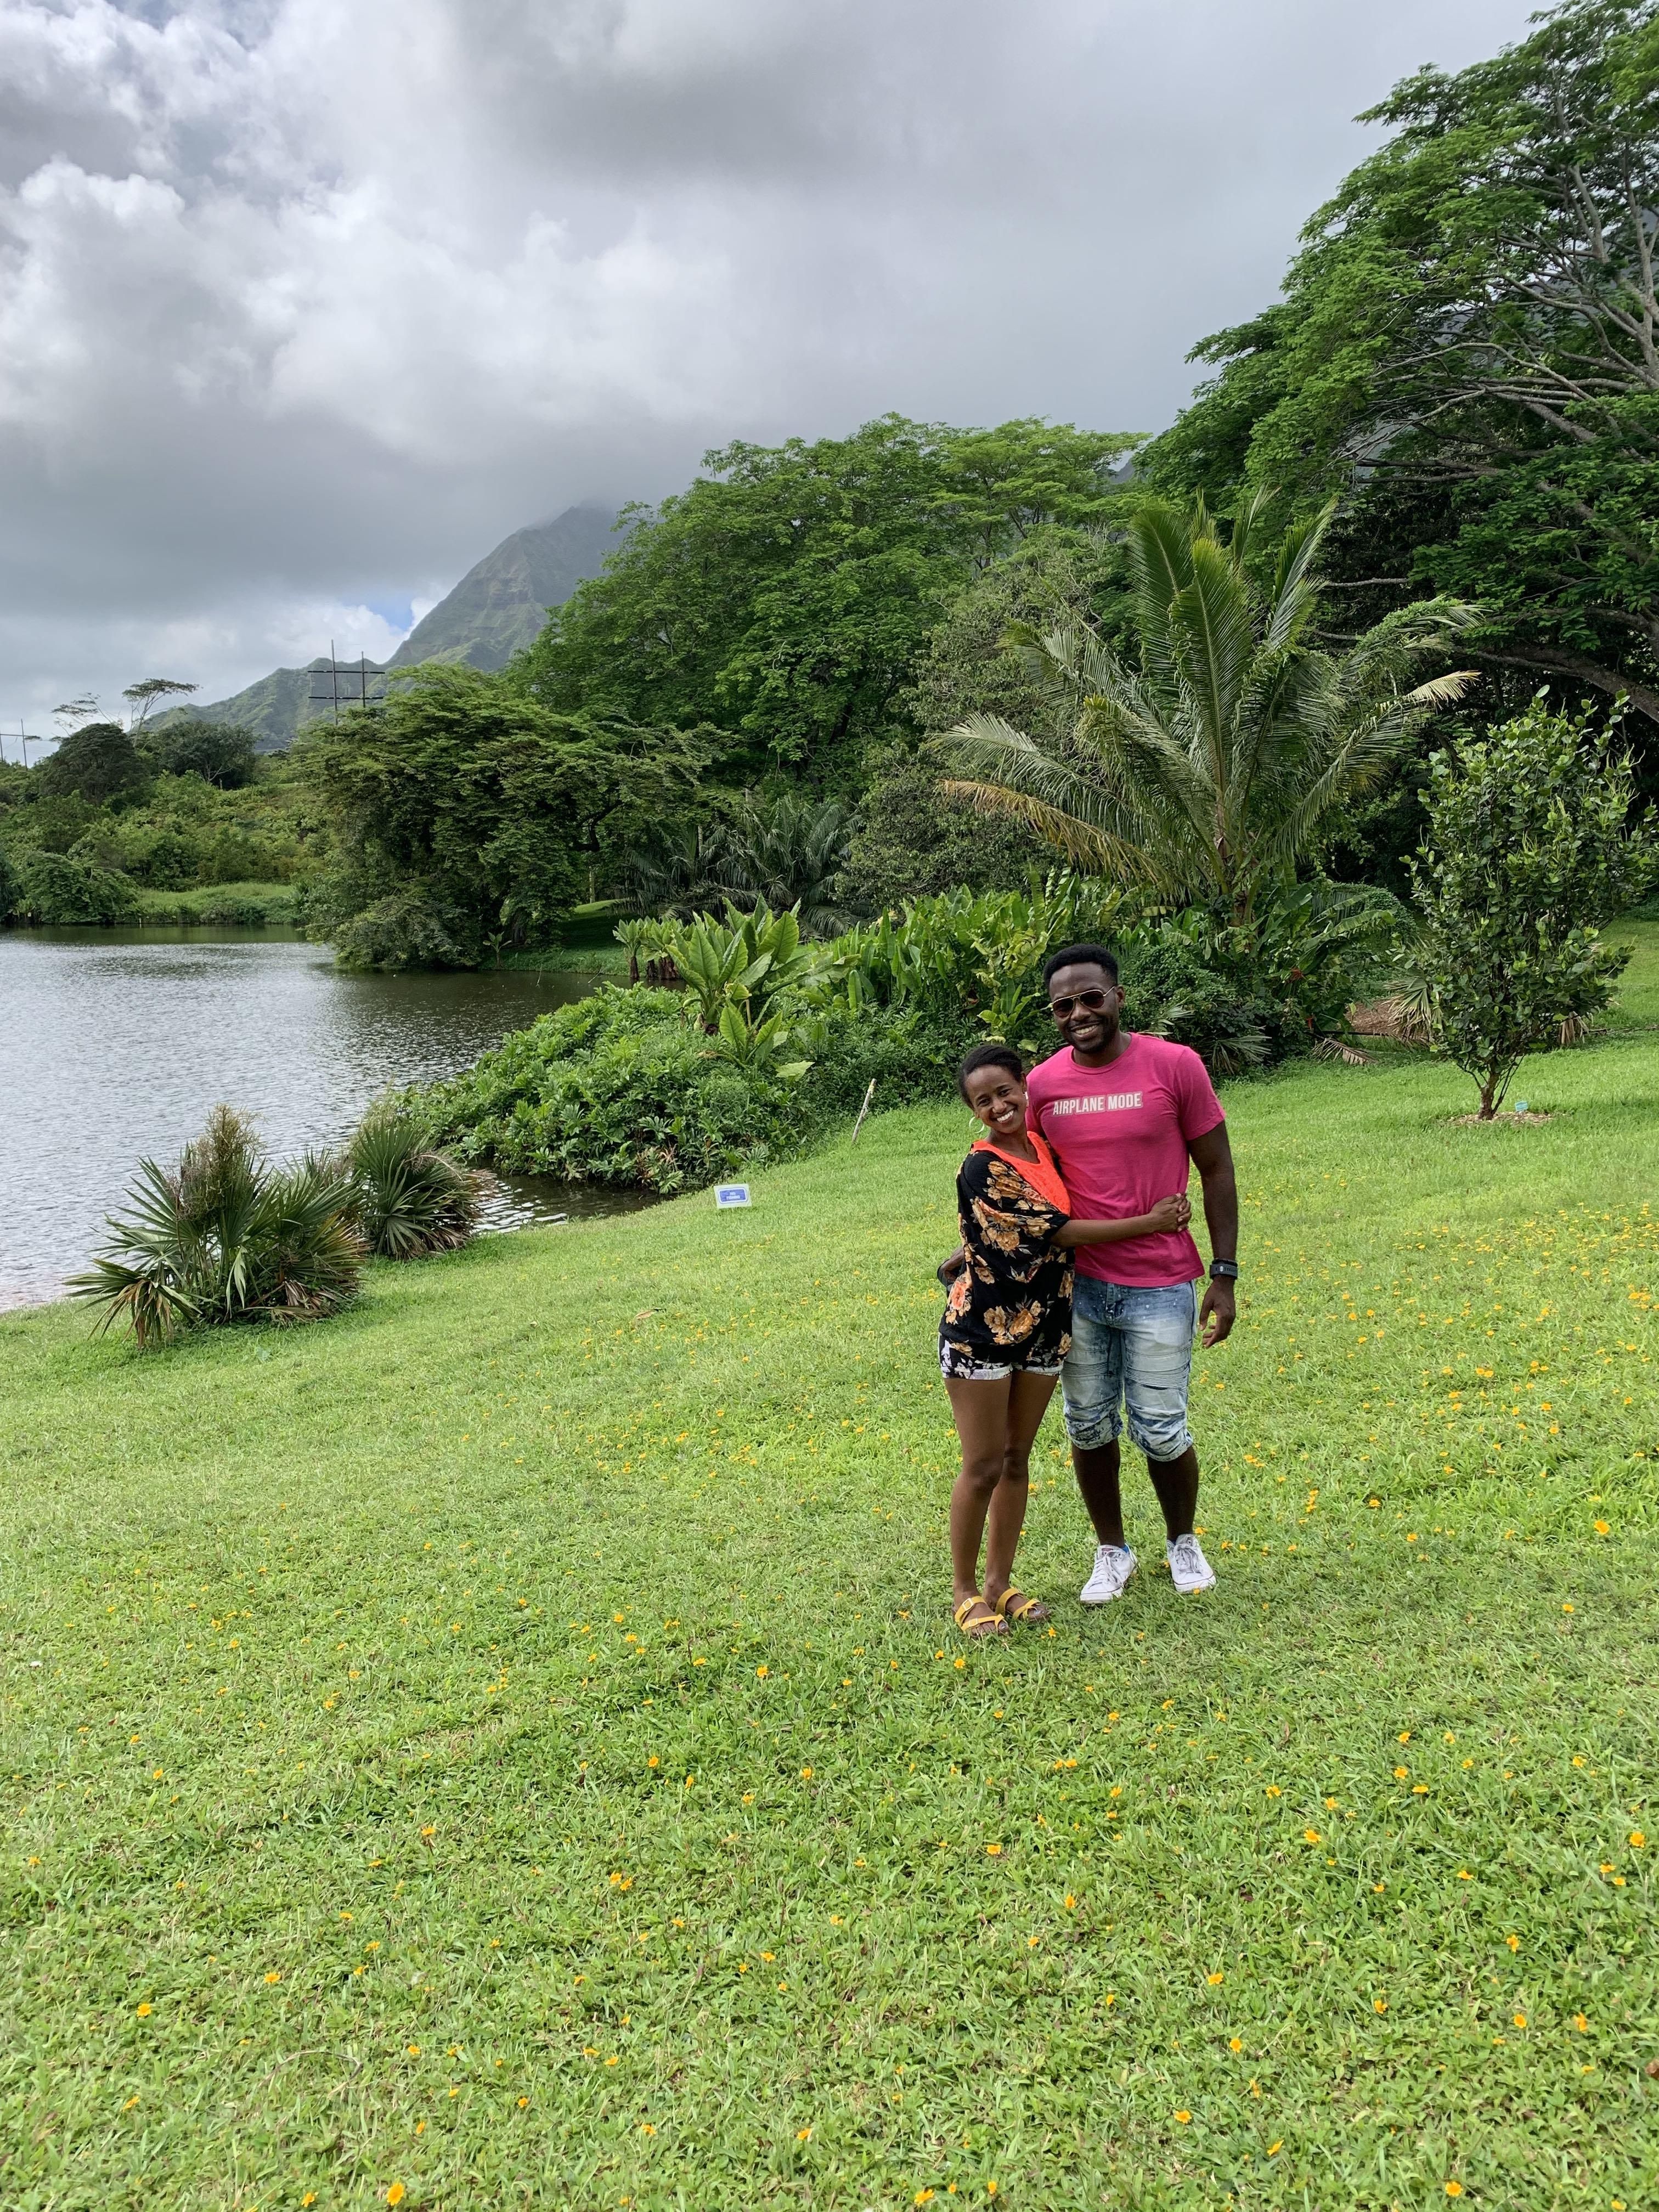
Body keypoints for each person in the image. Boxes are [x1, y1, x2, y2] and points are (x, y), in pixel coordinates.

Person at [943, 1042, 1193, 1638]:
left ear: (1024, 1087)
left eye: (1005, 1092)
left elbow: (1041, 1214)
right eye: (983, 1101)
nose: (998, 1106)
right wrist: (1153, 1222)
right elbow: (1057, 1232)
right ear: (973, 1111)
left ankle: (1001, 1584)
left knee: (1015, 1461)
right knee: (981, 1465)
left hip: (1046, 1328)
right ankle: (965, 1590)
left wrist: (966, 1248)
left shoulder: (1044, 1150)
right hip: (984, 1332)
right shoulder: (982, 1165)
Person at [1024, 944, 1239, 1603]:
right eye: (1065, 1005)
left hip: (1160, 1283)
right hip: (1077, 1286)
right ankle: (1111, 1550)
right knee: (1087, 1423)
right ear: (1054, 1014)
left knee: (1162, 1427)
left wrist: (1225, 1274)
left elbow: (1217, 1170)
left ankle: (1182, 1542)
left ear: (1118, 996)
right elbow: (1021, 1175)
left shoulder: (1175, 1066)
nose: (1079, 1014)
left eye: (1091, 998)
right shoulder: (1041, 1085)